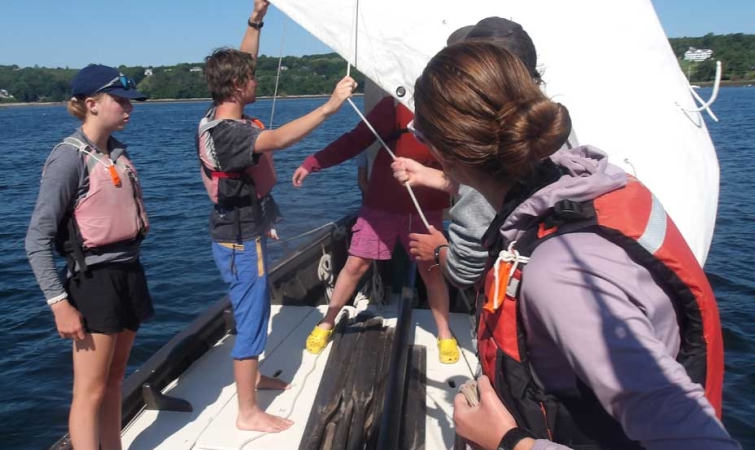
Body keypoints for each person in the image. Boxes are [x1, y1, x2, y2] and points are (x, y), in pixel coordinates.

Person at [407, 41, 738, 449]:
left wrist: (511, 443)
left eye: (419, 133)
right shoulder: (593, 187)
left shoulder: (559, 274)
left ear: (444, 150)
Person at [197, 0, 356, 434]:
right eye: (250, 77)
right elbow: (281, 139)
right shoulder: (228, 135)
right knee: (251, 315)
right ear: (236, 87)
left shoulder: (219, 114)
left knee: (259, 305)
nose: (256, 78)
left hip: (244, 231)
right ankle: (247, 411)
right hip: (238, 240)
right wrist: (328, 107)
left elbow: (245, 58)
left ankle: (255, 379)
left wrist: (257, 17)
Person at [25, 64, 152, 450]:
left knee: (115, 380)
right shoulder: (68, 159)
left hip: (128, 271)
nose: (129, 108)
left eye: (130, 101)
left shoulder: (116, 151)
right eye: (121, 101)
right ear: (92, 104)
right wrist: (58, 303)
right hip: (94, 281)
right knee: (90, 391)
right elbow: (36, 239)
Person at [292, 88, 458, 364]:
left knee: (430, 270)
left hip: (425, 208)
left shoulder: (453, 108)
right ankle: (327, 322)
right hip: (381, 206)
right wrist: (314, 162)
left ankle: (444, 333)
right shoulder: (393, 106)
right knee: (356, 264)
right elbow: (354, 140)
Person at [394, 17, 553, 292]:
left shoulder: (485, 151)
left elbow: (464, 270)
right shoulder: (548, 126)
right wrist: (433, 176)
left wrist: (437, 249)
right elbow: (509, 194)